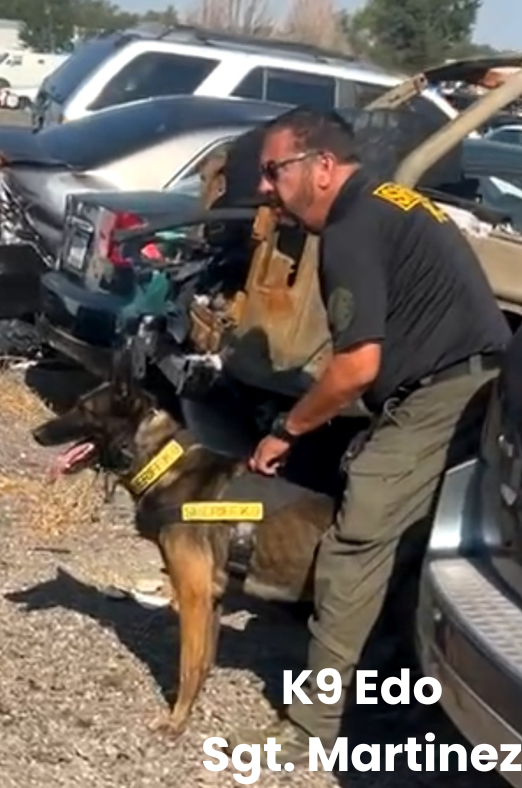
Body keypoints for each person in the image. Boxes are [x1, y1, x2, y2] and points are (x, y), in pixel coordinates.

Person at [225, 106, 512, 764]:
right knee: (411, 545)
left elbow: (357, 366)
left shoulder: (351, 228)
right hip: (471, 380)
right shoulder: (385, 203)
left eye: (274, 170)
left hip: (445, 393)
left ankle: (310, 726)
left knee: (357, 541)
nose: (264, 186)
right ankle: (391, 680)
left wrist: (285, 431)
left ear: (322, 168)